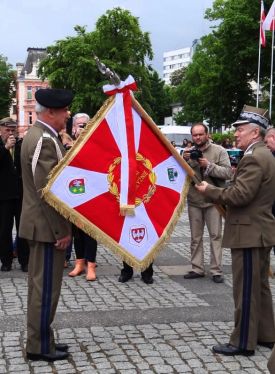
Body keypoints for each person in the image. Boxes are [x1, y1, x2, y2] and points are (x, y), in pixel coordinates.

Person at [195, 105, 275, 357]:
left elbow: (240, 195)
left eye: (240, 130)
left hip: (249, 232)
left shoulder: (254, 157)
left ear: (254, 132)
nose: (236, 134)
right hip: (258, 230)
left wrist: (210, 191)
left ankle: (242, 342)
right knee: (260, 287)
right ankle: (266, 335)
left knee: (246, 290)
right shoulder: (264, 154)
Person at [19, 88, 73, 362]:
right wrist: (60, 231)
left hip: (40, 226)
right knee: (44, 289)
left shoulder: (43, 136)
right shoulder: (44, 140)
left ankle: (43, 337)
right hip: (45, 228)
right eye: (64, 110)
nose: (68, 114)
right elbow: (47, 191)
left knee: (43, 287)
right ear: (50, 112)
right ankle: (38, 346)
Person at [183, 123, 232, 283]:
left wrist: (209, 166)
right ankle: (197, 268)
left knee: (215, 236)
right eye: (195, 135)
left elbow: (227, 173)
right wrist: (184, 160)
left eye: (200, 134)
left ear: (207, 134)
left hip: (213, 202)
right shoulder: (188, 153)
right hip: (195, 200)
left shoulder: (219, 150)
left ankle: (216, 270)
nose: (197, 137)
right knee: (195, 237)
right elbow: (179, 175)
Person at [68, 113, 98, 281]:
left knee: (90, 232)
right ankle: (79, 263)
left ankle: (91, 265)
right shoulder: (68, 144)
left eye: (85, 125)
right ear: (73, 127)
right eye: (79, 125)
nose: (82, 128)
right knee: (77, 232)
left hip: (91, 195)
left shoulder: (94, 143)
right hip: (75, 193)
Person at [0, 117, 29, 272]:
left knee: (22, 228)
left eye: (13, 130)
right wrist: (5, 148)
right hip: (3, 195)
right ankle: (6, 261)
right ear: (1, 129)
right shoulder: (2, 145)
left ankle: (25, 260)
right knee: (4, 229)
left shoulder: (20, 144)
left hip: (20, 193)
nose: (10, 133)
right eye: (7, 130)